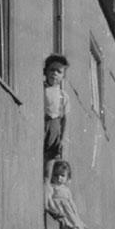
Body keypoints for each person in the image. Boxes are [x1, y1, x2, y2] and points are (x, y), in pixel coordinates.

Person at [45, 160, 90, 229]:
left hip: (70, 214)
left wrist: (76, 214)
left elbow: (71, 202)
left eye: (62, 176)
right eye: (55, 175)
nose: (59, 178)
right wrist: (54, 210)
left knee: (82, 228)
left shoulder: (66, 189)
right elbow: (49, 200)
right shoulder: (52, 187)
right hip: (62, 213)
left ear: (67, 177)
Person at [43, 54, 70, 182]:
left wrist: (63, 139)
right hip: (42, 122)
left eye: (59, 71)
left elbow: (64, 119)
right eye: (52, 70)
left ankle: (46, 184)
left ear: (63, 76)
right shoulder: (42, 88)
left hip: (54, 126)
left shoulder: (63, 96)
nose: (54, 73)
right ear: (46, 71)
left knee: (50, 160)